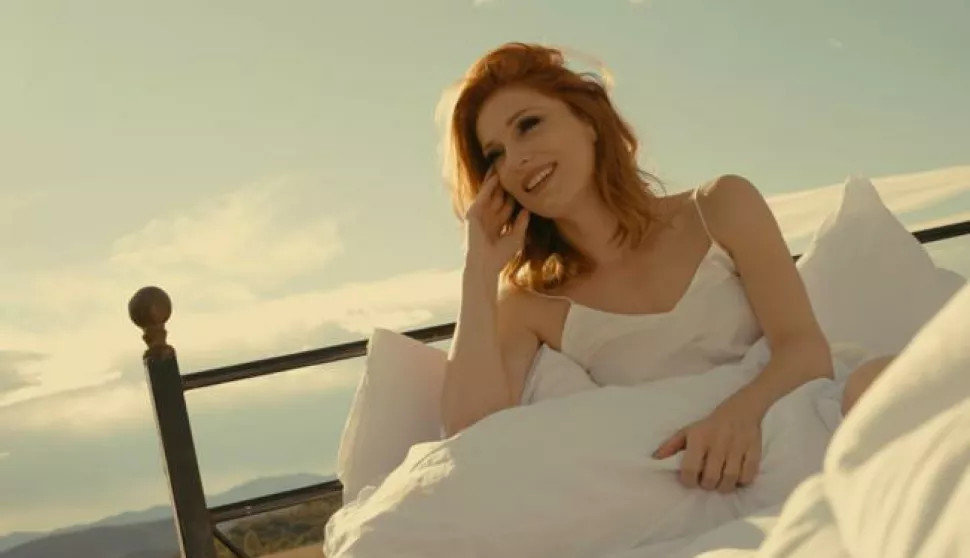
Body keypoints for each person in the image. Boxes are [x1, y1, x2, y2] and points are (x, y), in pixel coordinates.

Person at [438, 42, 894, 494]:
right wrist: (477, 270)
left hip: (793, 419)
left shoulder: (721, 206)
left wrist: (739, 415)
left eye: (528, 125)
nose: (515, 160)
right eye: (494, 154)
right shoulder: (530, 303)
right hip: (690, 481)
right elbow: (470, 438)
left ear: (587, 120)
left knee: (894, 381)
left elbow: (805, 350)